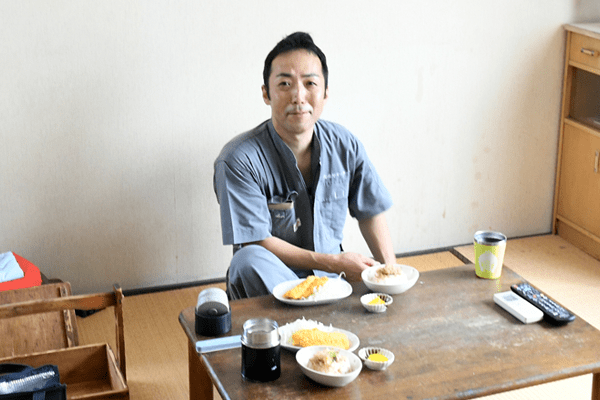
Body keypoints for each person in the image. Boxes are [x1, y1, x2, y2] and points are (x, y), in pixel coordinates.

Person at [213, 32, 396, 299]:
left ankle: (325, 314)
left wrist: (392, 275)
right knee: (247, 259)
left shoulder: (345, 144)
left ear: (325, 92)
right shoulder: (238, 159)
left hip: (334, 281)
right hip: (276, 283)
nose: (298, 96)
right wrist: (333, 262)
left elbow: (371, 211)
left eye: (310, 83)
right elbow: (255, 239)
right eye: (285, 84)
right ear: (266, 93)